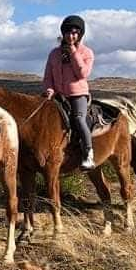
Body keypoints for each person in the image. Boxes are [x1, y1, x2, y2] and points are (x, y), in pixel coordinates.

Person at [43, 14, 94, 169]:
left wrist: (73, 53)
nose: (71, 36)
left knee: (79, 119)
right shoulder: (54, 54)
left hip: (78, 95)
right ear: (63, 33)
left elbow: (83, 74)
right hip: (58, 95)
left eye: (75, 33)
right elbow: (47, 76)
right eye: (68, 32)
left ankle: (88, 154)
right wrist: (49, 89)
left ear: (79, 35)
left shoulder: (86, 53)